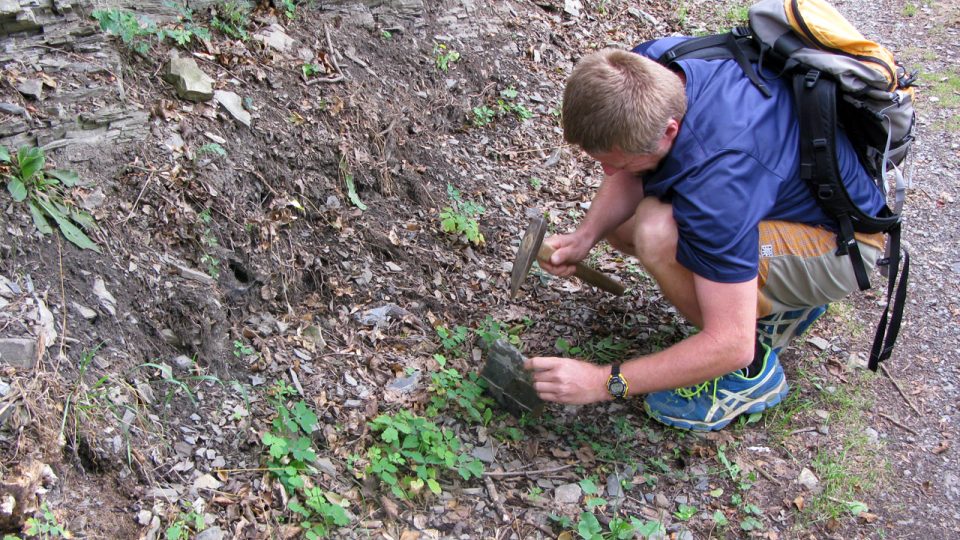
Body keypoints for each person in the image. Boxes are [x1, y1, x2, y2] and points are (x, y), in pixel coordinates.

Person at [523, 40, 887, 431]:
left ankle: (751, 375)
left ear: (669, 131)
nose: (609, 174)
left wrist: (603, 381)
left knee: (657, 232)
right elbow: (631, 170)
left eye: (621, 163)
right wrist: (585, 236)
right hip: (784, 197)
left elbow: (731, 342)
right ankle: (774, 298)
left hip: (840, 246)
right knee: (626, 223)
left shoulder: (718, 189)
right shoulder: (651, 67)